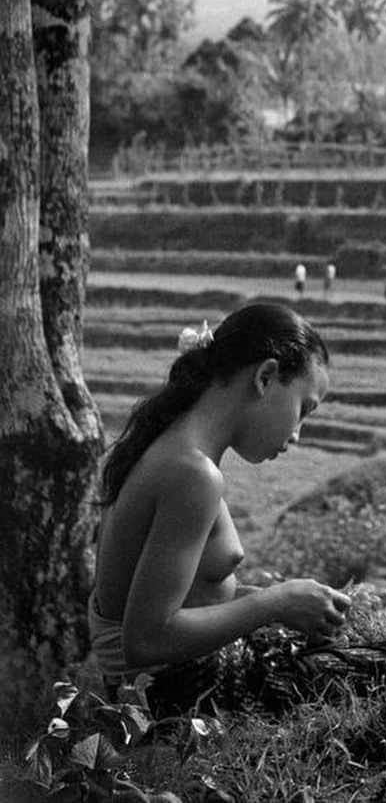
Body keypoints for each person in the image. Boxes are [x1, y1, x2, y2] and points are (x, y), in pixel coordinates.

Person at [88, 302, 352, 715]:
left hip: (165, 682)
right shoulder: (192, 474)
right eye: (303, 409)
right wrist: (275, 602)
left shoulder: (171, 444)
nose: (297, 434)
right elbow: (145, 641)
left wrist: (280, 605)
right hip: (168, 696)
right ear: (265, 377)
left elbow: (188, 598)